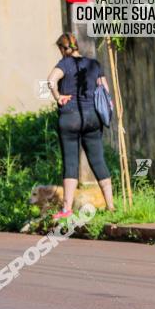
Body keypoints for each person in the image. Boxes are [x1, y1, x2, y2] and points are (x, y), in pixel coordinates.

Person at [46, 33, 116, 218]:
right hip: (92, 118)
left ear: (63, 49)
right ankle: (111, 206)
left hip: (70, 118)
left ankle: (66, 210)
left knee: (70, 163)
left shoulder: (64, 64)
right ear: (76, 46)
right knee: (98, 160)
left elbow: (51, 80)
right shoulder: (94, 65)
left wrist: (58, 96)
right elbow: (106, 92)